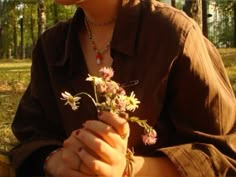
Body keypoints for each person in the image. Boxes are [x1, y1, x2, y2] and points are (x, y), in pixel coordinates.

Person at [9, 0, 236, 176]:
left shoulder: (175, 35)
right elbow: (31, 136)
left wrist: (128, 169)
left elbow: (224, 156)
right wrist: (56, 161)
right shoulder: (51, 46)